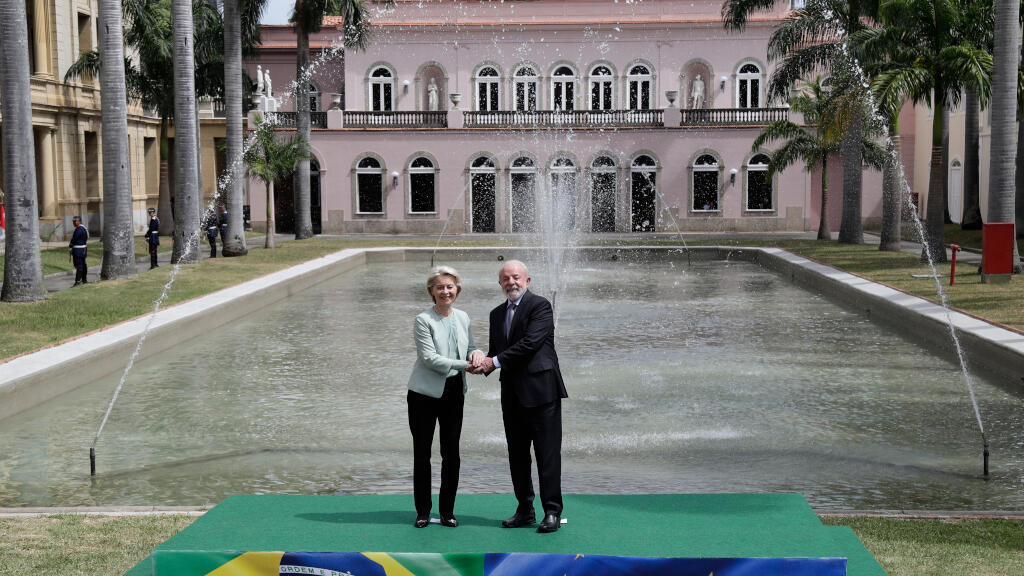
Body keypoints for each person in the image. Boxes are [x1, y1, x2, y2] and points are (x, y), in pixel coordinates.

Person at [471, 260, 567, 533]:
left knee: (547, 455)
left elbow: (530, 343)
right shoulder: (495, 314)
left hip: (542, 392)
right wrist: (481, 364)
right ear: (500, 284)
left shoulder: (540, 306)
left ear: (527, 280)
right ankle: (525, 509)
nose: (511, 282)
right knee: (517, 455)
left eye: (516, 277)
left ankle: (552, 511)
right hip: (511, 394)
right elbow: (496, 351)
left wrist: (494, 362)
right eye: (505, 279)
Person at [407, 266, 484, 529]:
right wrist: (467, 365)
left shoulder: (462, 317)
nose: (445, 291)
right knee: (423, 453)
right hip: (423, 395)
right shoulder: (423, 320)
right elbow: (430, 359)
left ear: (457, 289)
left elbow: (472, 347)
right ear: (431, 291)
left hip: (454, 393)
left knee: (452, 453)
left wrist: (477, 356)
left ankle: (448, 512)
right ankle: (423, 512)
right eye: (439, 287)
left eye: (450, 286)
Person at [69, 215, 89, 286]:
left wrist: (70, 246)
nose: (74, 223)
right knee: (83, 264)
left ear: (79, 221)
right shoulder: (83, 228)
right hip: (83, 249)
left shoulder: (79, 229)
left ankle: (77, 281)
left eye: (75, 221)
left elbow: (74, 239)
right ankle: (84, 280)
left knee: (79, 265)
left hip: (78, 250)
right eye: (73, 221)